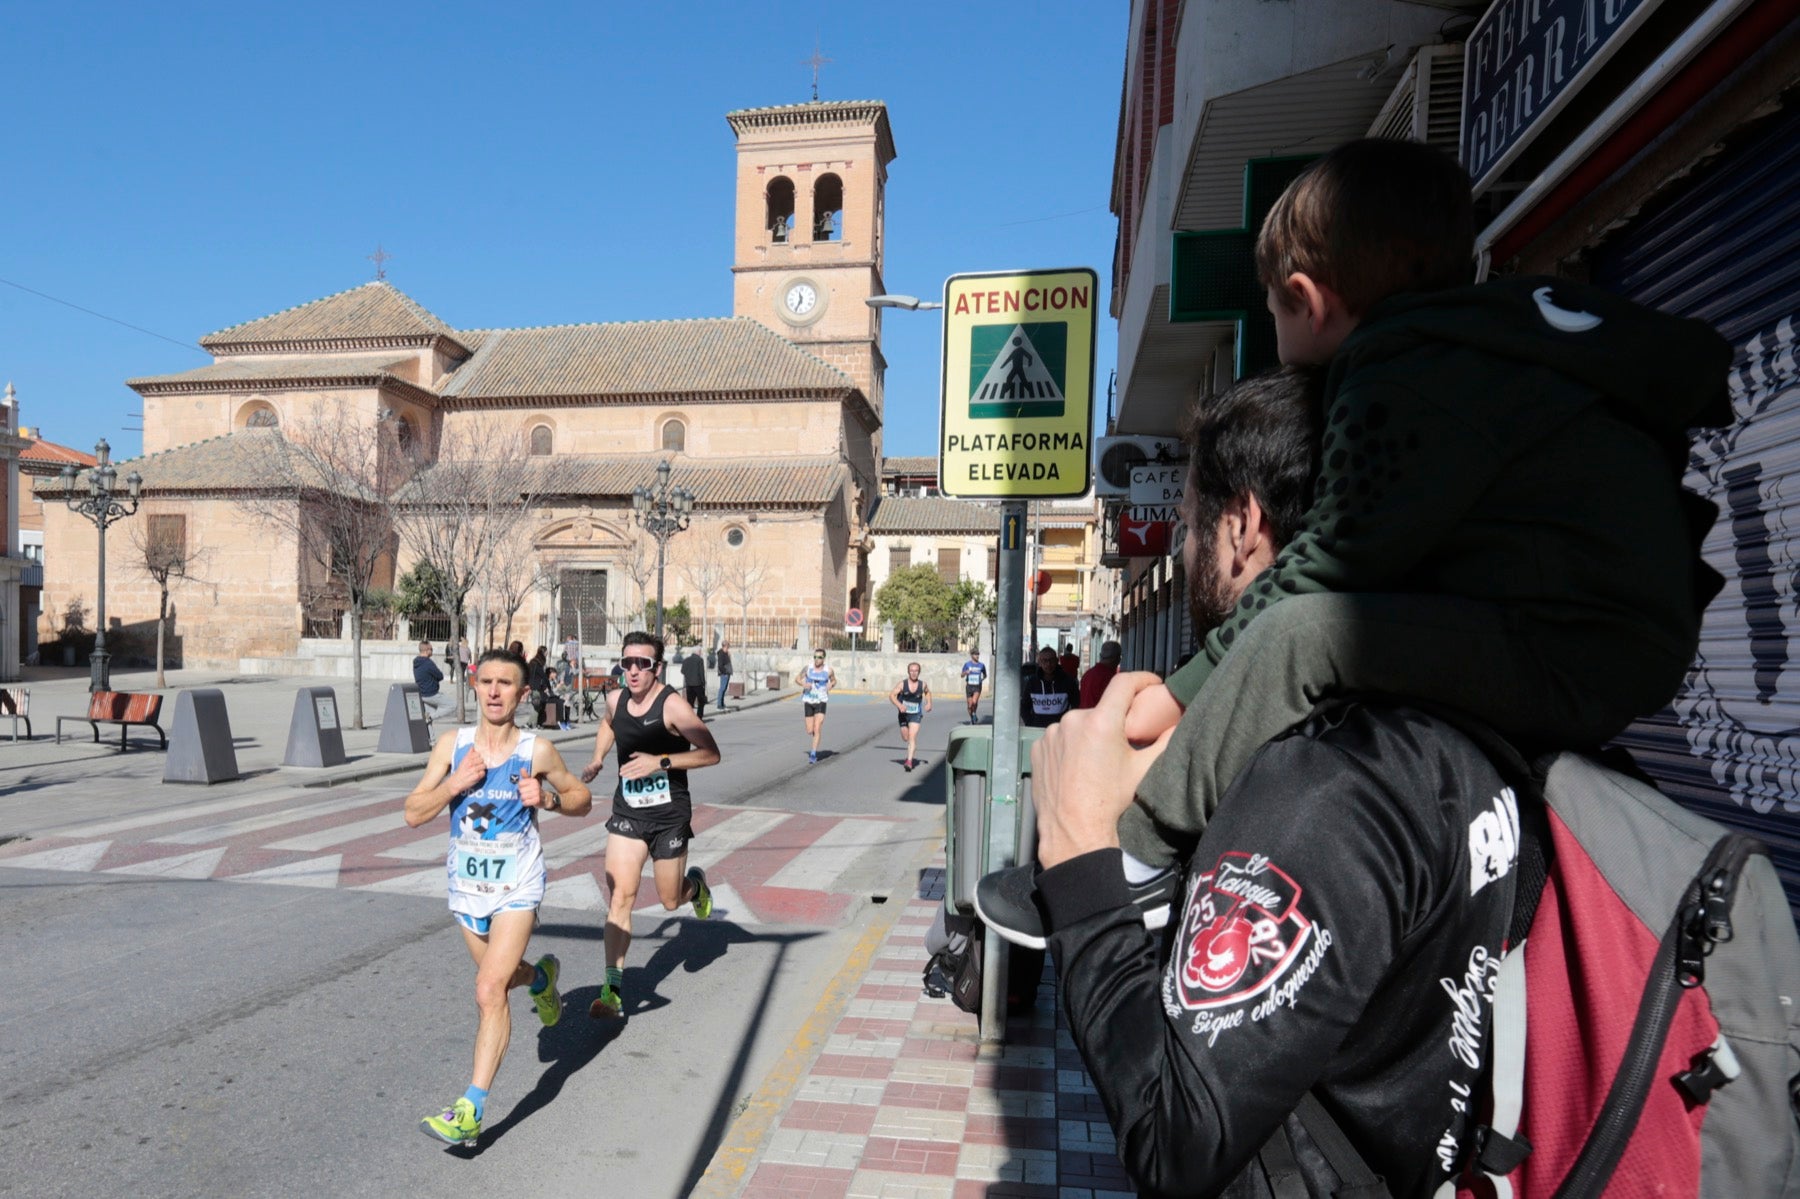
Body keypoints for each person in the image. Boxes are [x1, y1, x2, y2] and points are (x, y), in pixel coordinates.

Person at [980, 136, 1728, 944]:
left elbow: (1322, 572)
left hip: (1573, 643)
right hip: (1606, 634)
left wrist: (1179, 691)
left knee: (1304, 639)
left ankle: (1138, 860)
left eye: (1270, 310)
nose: (1272, 332)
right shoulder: (1489, 344)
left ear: (1308, 299)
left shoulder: (1395, 368)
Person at [404, 647, 592, 1148]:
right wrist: (454, 784)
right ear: (474, 685)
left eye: (504, 684)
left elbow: (582, 798)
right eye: (485, 682)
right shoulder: (453, 744)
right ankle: (543, 979)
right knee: (505, 979)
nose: (493, 691)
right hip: (466, 889)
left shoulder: (537, 751)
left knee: (488, 990)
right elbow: (413, 812)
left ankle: (471, 1108)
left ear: (522, 694)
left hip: (517, 885)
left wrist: (549, 799)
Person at [579, 631, 719, 1019]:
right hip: (629, 812)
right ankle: (611, 990)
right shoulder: (615, 699)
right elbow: (609, 722)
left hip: (669, 816)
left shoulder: (673, 707)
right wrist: (597, 758)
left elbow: (710, 753)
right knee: (620, 897)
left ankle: (697, 886)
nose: (634, 670)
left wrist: (661, 761)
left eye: (643, 663)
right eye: (627, 662)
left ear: (658, 668)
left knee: (670, 900)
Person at [1020, 645, 1079, 728]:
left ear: (1057, 661)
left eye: (1051, 660)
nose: (1048, 664)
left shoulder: (1068, 682)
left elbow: (1076, 705)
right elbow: (1024, 706)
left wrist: (1068, 724)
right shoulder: (1032, 683)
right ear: (1039, 662)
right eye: (1045, 661)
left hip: (1060, 732)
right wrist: (1030, 724)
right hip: (1037, 732)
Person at [890, 662, 932, 772]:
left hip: (916, 714)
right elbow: (891, 696)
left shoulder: (923, 685)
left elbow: (928, 693)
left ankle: (909, 761)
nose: (914, 673)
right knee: (905, 737)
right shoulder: (902, 684)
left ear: (919, 672)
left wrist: (929, 703)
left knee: (912, 737)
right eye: (912, 671)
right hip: (903, 714)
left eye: (916, 671)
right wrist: (899, 705)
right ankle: (909, 751)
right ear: (908, 672)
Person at [800, 649, 836, 764]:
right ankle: (814, 742)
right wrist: (803, 684)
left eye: (819, 657)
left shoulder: (828, 670)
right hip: (809, 700)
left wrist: (831, 685)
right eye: (815, 657)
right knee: (810, 730)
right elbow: (797, 679)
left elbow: (834, 680)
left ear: (823, 659)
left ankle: (813, 753)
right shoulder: (808, 668)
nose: (817, 659)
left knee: (817, 727)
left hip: (821, 700)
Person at [412, 640, 456, 722]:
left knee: (427, 721)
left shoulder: (416, 663)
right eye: (431, 649)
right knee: (452, 705)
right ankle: (431, 717)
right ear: (426, 650)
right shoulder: (428, 663)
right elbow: (440, 676)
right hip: (431, 694)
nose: (432, 651)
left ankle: (429, 731)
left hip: (422, 694)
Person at [1078, 640, 1121, 711]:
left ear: (1101, 656)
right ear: (1116, 658)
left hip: (1084, 717)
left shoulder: (1088, 674)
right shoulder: (1111, 678)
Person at [959, 648, 986, 724]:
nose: (977, 656)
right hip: (969, 686)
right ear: (972, 655)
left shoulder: (981, 665)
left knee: (974, 702)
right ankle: (973, 717)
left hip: (977, 686)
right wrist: (965, 673)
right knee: (969, 705)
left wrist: (981, 680)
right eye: (975, 654)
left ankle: (973, 713)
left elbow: (985, 675)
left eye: (978, 654)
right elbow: (961, 675)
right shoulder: (967, 664)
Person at [680, 644, 708, 719]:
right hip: (698, 684)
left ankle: (690, 718)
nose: (701, 653)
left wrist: (689, 675)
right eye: (700, 651)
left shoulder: (686, 660)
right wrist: (704, 683)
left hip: (689, 684)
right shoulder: (699, 660)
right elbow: (701, 673)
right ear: (698, 651)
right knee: (701, 702)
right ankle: (699, 717)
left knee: (690, 703)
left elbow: (682, 671)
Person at [714, 639, 733, 711]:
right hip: (724, 674)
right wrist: (725, 672)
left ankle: (722, 704)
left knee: (724, 689)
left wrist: (729, 656)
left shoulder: (725, 653)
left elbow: (728, 662)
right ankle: (719, 705)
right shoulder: (721, 654)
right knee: (722, 689)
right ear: (725, 646)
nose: (728, 648)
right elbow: (720, 665)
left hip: (726, 673)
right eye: (728, 646)